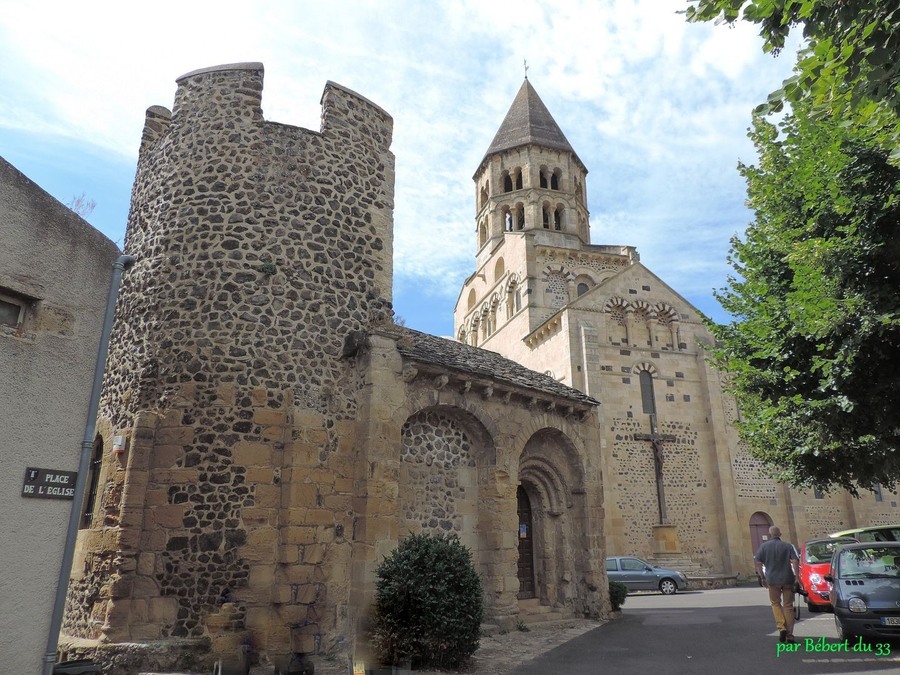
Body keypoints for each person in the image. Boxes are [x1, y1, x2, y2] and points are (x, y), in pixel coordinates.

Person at [754, 525, 800, 643]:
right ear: (780, 534)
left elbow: (758, 562)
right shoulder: (788, 546)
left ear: (770, 535)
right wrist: (797, 577)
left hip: (772, 580)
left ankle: (781, 627)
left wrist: (762, 577)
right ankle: (789, 635)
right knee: (788, 606)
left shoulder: (763, 547)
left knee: (775, 603)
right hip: (788, 579)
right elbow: (795, 560)